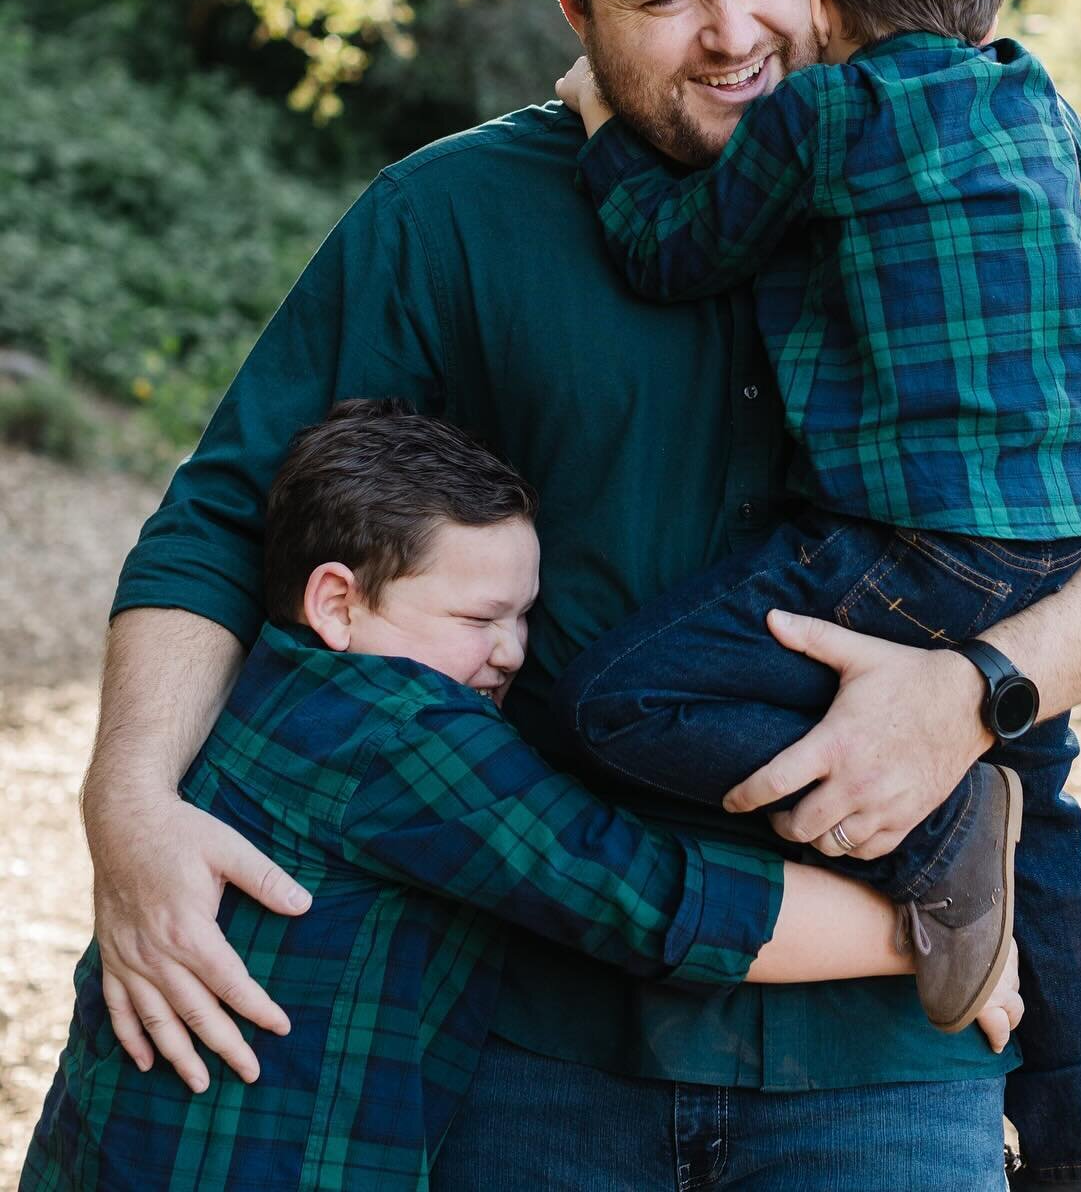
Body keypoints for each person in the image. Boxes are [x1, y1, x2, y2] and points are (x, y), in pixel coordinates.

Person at [80, 0, 1081, 1192]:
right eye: (666, 0)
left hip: (888, 1055)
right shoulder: (448, 219)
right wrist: (130, 806)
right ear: (575, 8)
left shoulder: (973, 186)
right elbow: (219, 522)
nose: (736, 33)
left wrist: (978, 691)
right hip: (525, 1039)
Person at [25, 400, 962, 1191]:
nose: (511, 652)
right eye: (478, 619)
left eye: (524, 617)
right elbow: (636, 894)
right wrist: (930, 937)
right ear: (337, 603)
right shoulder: (397, 727)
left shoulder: (269, 689)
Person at [550, 0, 1081, 1064]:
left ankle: (936, 821)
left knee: (622, 700)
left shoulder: (825, 111)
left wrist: (600, 122)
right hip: (1062, 539)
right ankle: (1078, 1137)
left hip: (921, 535)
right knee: (1048, 813)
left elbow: (669, 253)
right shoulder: (1040, 109)